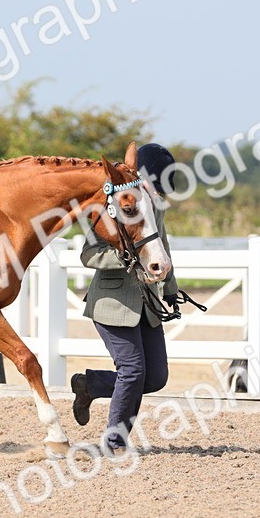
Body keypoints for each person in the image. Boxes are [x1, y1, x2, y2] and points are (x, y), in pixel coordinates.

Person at [70, 142, 179, 454]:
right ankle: (114, 442)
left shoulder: (153, 208)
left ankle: (90, 385)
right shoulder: (110, 205)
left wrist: (170, 291)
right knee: (132, 371)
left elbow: (163, 250)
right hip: (113, 304)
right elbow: (89, 255)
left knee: (155, 376)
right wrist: (125, 258)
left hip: (147, 304)